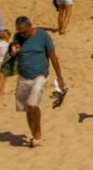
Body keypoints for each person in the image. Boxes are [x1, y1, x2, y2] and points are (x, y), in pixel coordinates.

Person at [10, 16, 63, 147]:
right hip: (23, 76)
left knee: (33, 104)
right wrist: (13, 53)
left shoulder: (43, 35)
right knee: (27, 108)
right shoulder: (17, 37)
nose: (22, 34)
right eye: (19, 31)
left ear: (30, 26)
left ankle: (38, 134)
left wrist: (60, 78)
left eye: (24, 31)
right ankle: (34, 136)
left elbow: (53, 56)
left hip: (40, 74)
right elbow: (12, 56)